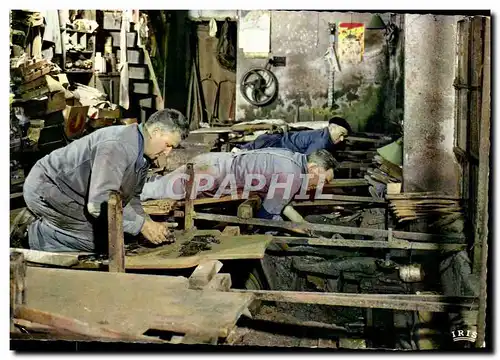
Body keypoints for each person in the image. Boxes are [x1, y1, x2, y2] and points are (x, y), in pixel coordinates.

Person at [16, 109, 189, 253]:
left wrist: (147, 222)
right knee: (100, 242)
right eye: (168, 145)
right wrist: (142, 226)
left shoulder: (143, 154)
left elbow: (130, 199)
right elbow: (99, 204)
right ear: (156, 132)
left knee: (124, 233)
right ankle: (34, 236)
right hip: (48, 186)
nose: (168, 152)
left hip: (78, 192)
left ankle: (54, 226)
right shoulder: (117, 145)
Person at [141, 148, 338, 222]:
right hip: (213, 172)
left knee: (158, 187)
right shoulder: (292, 174)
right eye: (324, 180)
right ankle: (116, 197)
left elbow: (278, 201)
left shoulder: (293, 160)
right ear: (313, 169)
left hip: (217, 165)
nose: (321, 186)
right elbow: (268, 214)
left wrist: (299, 223)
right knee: (156, 191)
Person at [236, 117, 352, 155]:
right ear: (331, 127)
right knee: (243, 154)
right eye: (341, 134)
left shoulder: (323, 134)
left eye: (344, 136)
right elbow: (305, 161)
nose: (342, 139)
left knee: (244, 151)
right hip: (275, 144)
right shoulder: (322, 141)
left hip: (275, 141)